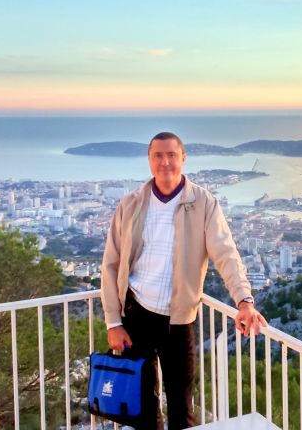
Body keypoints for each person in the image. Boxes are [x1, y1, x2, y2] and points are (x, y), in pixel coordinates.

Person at [101, 132, 267, 430]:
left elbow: (226, 254)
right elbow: (110, 264)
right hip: (136, 313)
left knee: (182, 406)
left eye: (171, 155)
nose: (165, 162)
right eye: (158, 155)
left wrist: (244, 300)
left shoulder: (203, 203)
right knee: (143, 405)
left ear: (183, 158)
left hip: (178, 320)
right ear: (149, 160)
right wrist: (113, 322)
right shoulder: (131, 204)